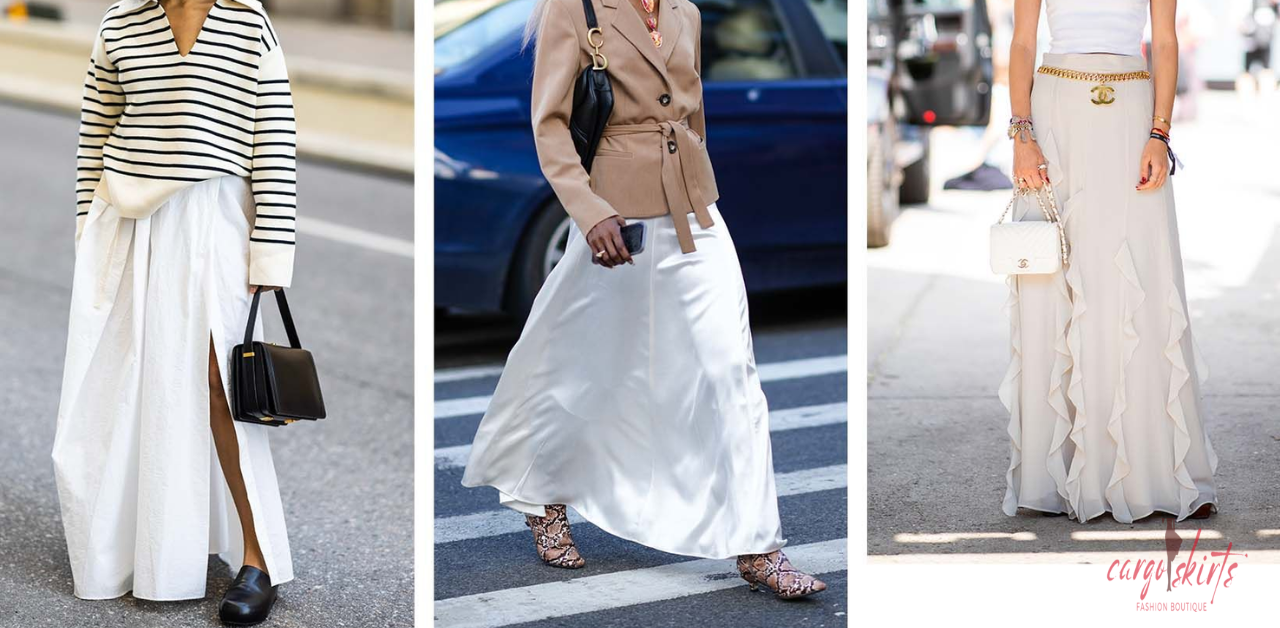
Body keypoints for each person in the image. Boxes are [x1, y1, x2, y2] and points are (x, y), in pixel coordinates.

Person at [460, 0, 827, 599]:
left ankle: (760, 546)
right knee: (583, 370)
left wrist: (698, 182)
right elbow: (550, 121)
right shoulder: (573, 9)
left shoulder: (687, 10)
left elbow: (694, 111)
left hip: (696, 214)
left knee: (731, 372)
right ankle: (543, 495)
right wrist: (588, 209)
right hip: (616, 219)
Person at [54, 0, 299, 624]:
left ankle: (257, 556)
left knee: (225, 387)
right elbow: (95, 135)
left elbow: (273, 144)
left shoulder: (250, 22)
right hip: (128, 229)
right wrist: (89, 232)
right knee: (126, 389)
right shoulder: (119, 23)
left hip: (214, 226)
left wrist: (268, 260)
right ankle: (141, 547)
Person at [1001, 0, 1216, 523]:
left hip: (1130, 115)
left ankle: (1153, 475)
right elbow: (1023, 42)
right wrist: (1021, 135)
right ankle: (1055, 477)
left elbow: (1165, 42)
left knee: (1140, 282)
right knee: (1053, 283)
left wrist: (1160, 134)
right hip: (1055, 113)